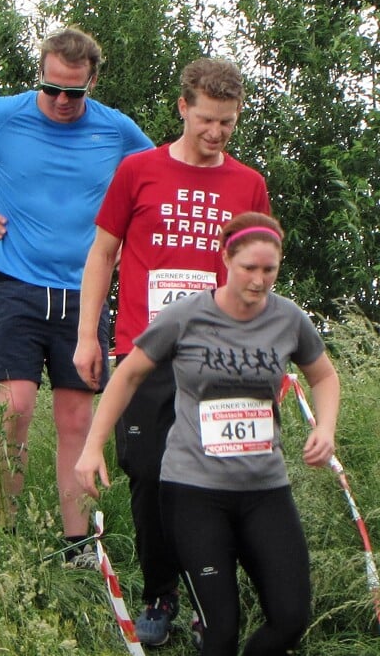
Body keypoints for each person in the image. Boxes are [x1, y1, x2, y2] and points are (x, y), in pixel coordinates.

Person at [0, 27, 153, 563]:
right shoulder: (7, 115)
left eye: (76, 92)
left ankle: (77, 546)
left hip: (83, 295)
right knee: (14, 409)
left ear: (92, 82)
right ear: (40, 78)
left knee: (76, 420)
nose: (63, 101)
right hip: (17, 286)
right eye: (53, 89)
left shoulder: (116, 130)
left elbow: (154, 178)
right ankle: (5, 540)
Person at [75, 212, 340, 655]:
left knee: (291, 617)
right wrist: (92, 447)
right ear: (225, 259)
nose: (258, 280)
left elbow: (325, 376)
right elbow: (128, 376)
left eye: (269, 270)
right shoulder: (185, 317)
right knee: (220, 633)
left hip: (265, 489)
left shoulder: (289, 319)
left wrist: (326, 428)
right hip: (193, 491)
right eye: (248, 269)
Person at [73, 58, 270, 644]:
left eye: (227, 125)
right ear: (182, 107)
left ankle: (211, 599)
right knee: (152, 477)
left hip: (218, 357)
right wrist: (89, 335)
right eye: (207, 120)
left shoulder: (247, 184)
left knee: (217, 482)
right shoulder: (138, 171)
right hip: (145, 355)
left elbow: (258, 274)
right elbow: (102, 255)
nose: (215, 134)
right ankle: (159, 590)